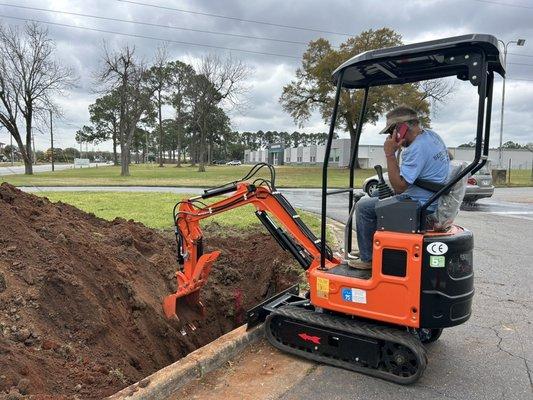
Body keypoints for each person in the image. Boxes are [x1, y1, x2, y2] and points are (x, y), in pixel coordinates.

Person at [350, 105, 450, 269]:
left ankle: (368, 259)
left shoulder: (416, 148)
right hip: (431, 198)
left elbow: (399, 187)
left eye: (391, 131)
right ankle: (372, 250)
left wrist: (390, 153)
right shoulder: (433, 137)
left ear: (402, 128)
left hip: (420, 204)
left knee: (364, 206)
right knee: (378, 200)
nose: (390, 136)